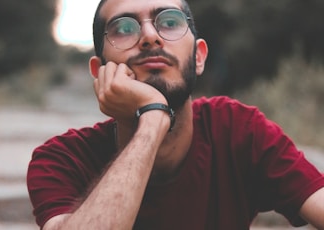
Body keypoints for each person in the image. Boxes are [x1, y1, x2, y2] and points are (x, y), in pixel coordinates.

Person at [27, 0, 324, 229]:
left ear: (198, 57)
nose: (150, 36)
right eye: (124, 28)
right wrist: (153, 119)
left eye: (169, 22)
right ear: (99, 71)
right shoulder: (61, 159)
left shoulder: (239, 130)